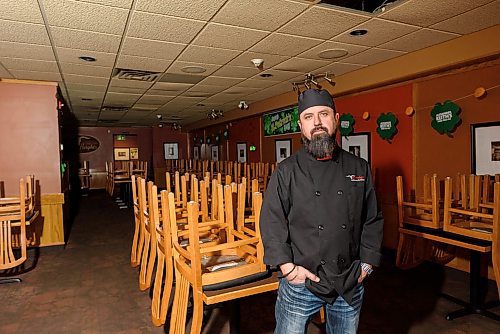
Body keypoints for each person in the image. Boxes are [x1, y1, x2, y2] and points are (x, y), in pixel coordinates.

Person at [260, 88, 384, 334]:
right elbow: (271, 220)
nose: (317, 122)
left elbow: (373, 218)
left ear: (336, 119)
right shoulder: (287, 171)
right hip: (301, 282)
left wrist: (367, 265)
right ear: (301, 126)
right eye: (308, 117)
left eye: (323, 114)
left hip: (348, 280)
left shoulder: (359, 167)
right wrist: (288, 269)